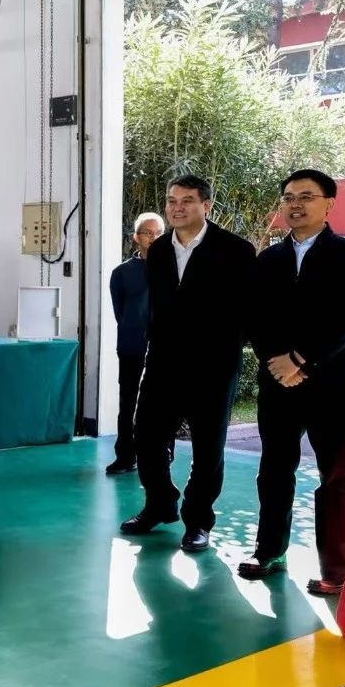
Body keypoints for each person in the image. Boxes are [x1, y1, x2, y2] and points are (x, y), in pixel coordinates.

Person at [239, 169, 345, 596]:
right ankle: (269, 551)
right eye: (288, 197)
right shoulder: (268, 260)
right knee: (274, 471)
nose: (294, 204)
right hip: (279, 386)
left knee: (336, 477)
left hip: (333, 386)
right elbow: (254, 318)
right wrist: (277, 363)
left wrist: (300, 360)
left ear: (328, 203)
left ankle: (337, 568)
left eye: (306, 196)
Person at [120, 175, 256, 553]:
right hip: (163, 362)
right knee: (146, 437)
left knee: (207, 449)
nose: (177, 207)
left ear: (206, 206)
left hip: (214, 366)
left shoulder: (236, 250)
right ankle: (160, 504)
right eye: (172, 200)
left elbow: (248, 309)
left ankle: (198, 521)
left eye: (187, 200)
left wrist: (227, 347)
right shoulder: (159, 250)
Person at [107, 212, 165, 475]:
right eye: (147, 233)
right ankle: (125, 456)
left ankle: (162, 454)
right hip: (131, 346)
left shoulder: (173, 269)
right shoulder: (122, 273)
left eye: (158, 233)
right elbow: (119, 310)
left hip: (164, 348)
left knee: (162, 404)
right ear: (136, 237)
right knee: (128, 402)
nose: (153, 238)